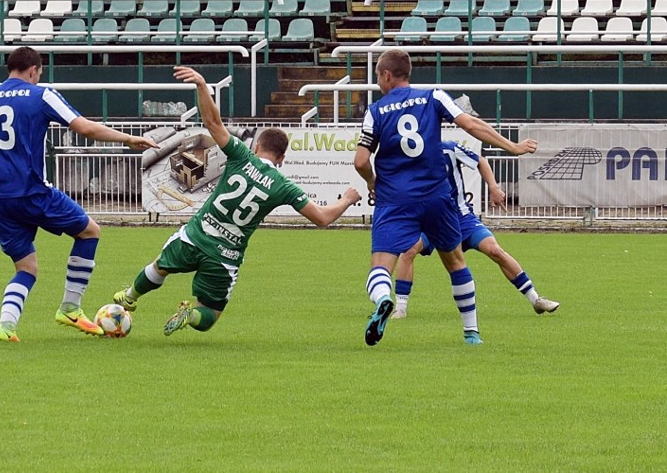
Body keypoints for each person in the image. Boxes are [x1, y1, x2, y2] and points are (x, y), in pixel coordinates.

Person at [112, 66, 362, 336]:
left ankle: (129, 296)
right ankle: (190, 314)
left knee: (160, 266)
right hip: (225, 256)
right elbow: (323, 218)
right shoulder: (283, 186)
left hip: (195, 237)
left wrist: (201, 85)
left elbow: (213, 123)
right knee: (209, 316)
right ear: (282, 158)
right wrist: (346, 200)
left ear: (257, 147)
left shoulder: (242, 155)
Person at [0, 46, 158, 342]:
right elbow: (86, 128)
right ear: (34, 70)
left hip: (0, 197)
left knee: (26, 267)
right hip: (33, 191)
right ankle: (70, 307)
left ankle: (6, 326)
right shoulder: (41, 93)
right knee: (90, 232)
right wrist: (128, 138)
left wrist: (1, 169)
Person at [354, 49, 538, 347]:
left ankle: (385, 299)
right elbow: (471, 125)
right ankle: (471, 333)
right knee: (455, 261)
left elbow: (361, 161)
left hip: (395, 199)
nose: (378, 83)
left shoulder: (375, 112)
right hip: (436, 196)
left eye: (378, 76)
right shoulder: (433, 96)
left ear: (386, 75)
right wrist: (511, 147)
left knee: (380, 264)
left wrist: (373, 182)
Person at [391, 141, 560, 319]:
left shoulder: (449, 148)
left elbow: (481, 161)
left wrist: (494, 187)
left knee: (495, 250)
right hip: (434, 220)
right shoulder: (410, 156)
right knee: (408, 250)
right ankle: (401, 308)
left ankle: (535, 300)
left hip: (462, 218)